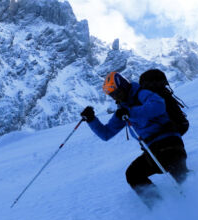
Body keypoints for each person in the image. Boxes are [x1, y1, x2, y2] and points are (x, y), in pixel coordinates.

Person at [80, 71, 188, 208]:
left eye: (117, 92)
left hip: (168, 142)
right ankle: (163, 208)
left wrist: (131, 112)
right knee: (135, 174)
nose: (116, 97)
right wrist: (91, 120)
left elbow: (158, 105)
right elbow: (106, 134)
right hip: (152, 149)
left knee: (174, 175)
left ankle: (168, 206)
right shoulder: (124, 109)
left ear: (124, 86)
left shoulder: (141, 94)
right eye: (112, 95)